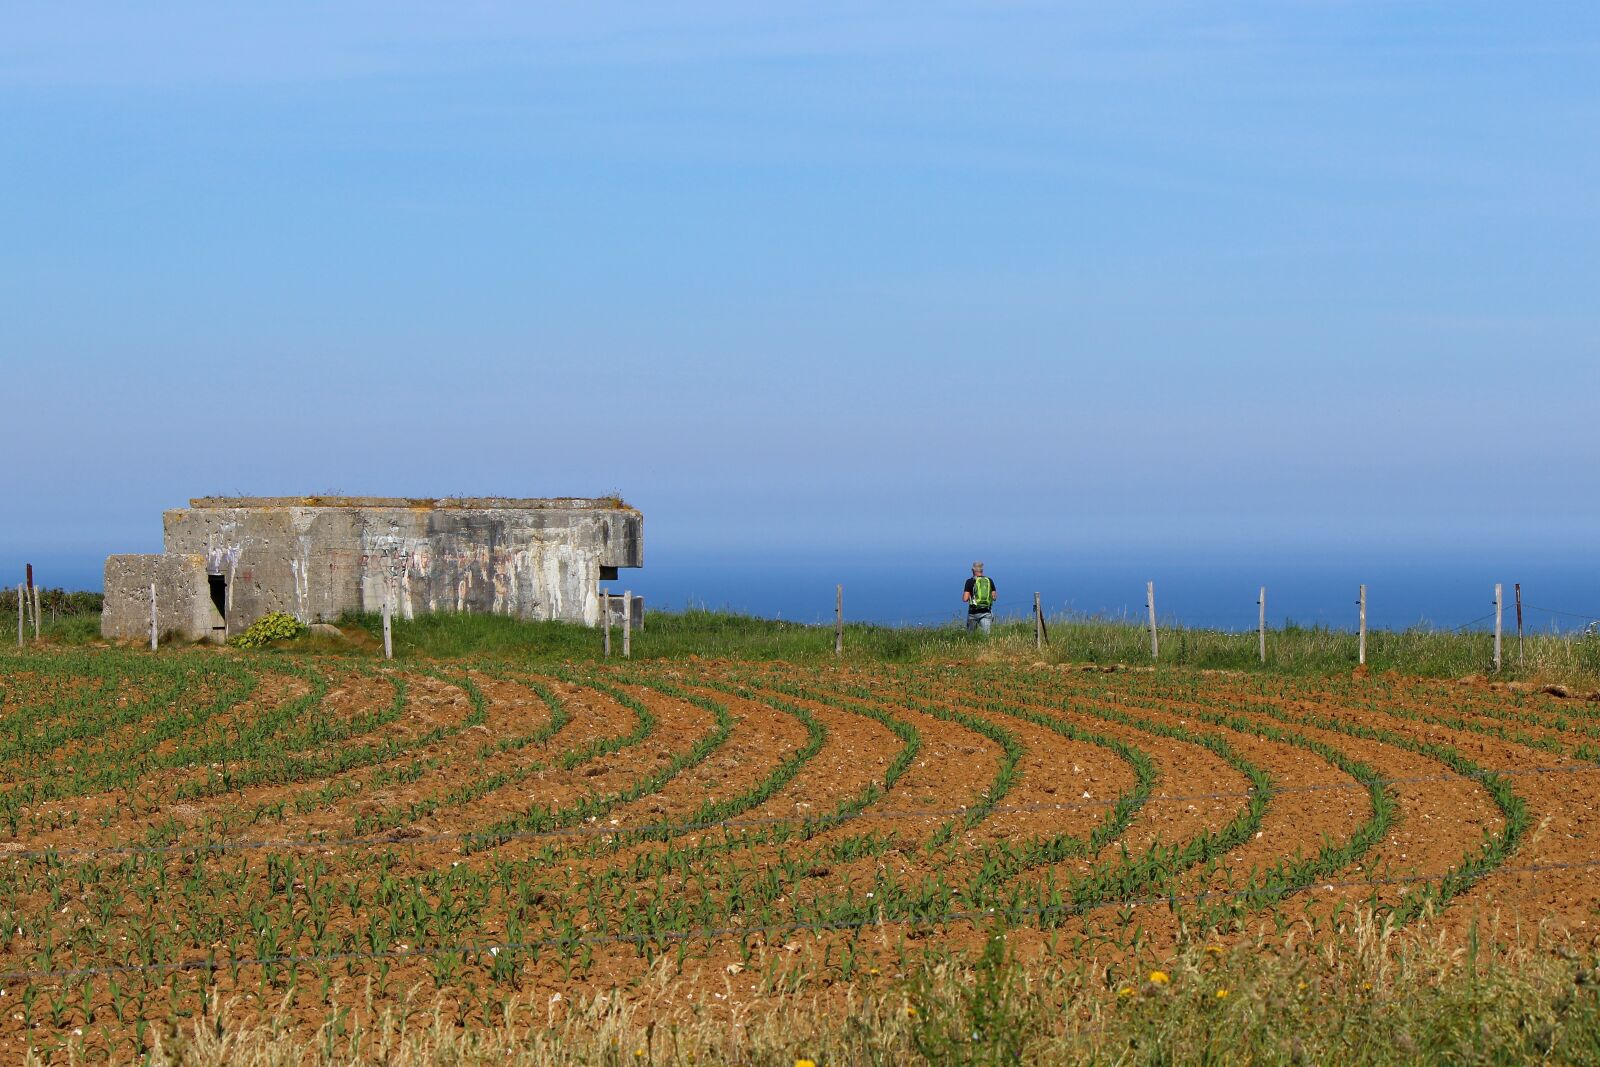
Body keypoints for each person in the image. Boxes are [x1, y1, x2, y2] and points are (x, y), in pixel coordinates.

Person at [963, 561, 996, 634]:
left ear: (973, 570)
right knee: (986, 636)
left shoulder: (969, 581)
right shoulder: (989, 580)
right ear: (982, 570)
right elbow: (994, 597)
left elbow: (965, 599)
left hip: (973, 612)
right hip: (986, 612)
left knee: (971, 636)